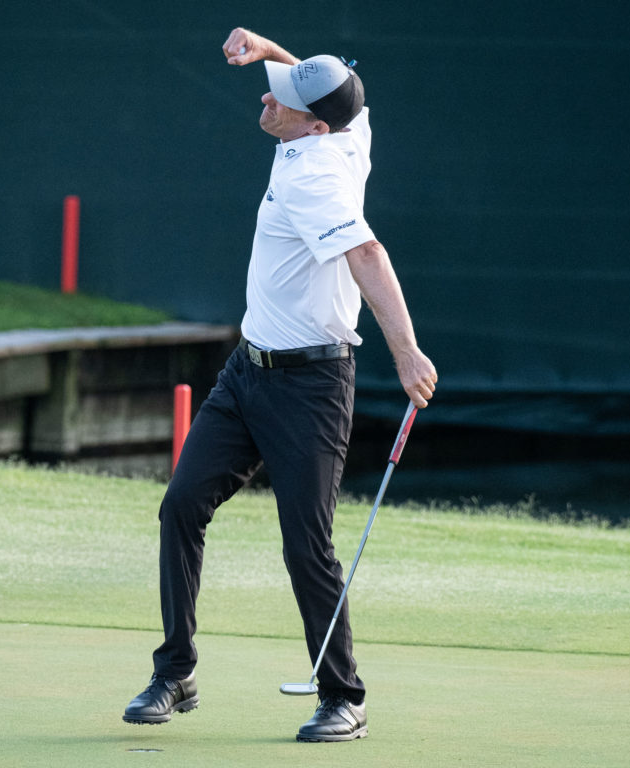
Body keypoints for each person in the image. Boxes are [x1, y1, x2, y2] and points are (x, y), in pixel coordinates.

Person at [122, 28, 437, 743]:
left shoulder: (313, 177)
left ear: (314, 125)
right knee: (180, 508)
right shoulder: (347, 130)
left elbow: (368, 254)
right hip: (247, 371)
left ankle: (343, 696)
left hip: (313, 386)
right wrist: (271, 50)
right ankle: (175, 672)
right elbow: (321, 90)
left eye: (283, 98)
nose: (267, 96)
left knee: (307, 544)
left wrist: (408, 353)